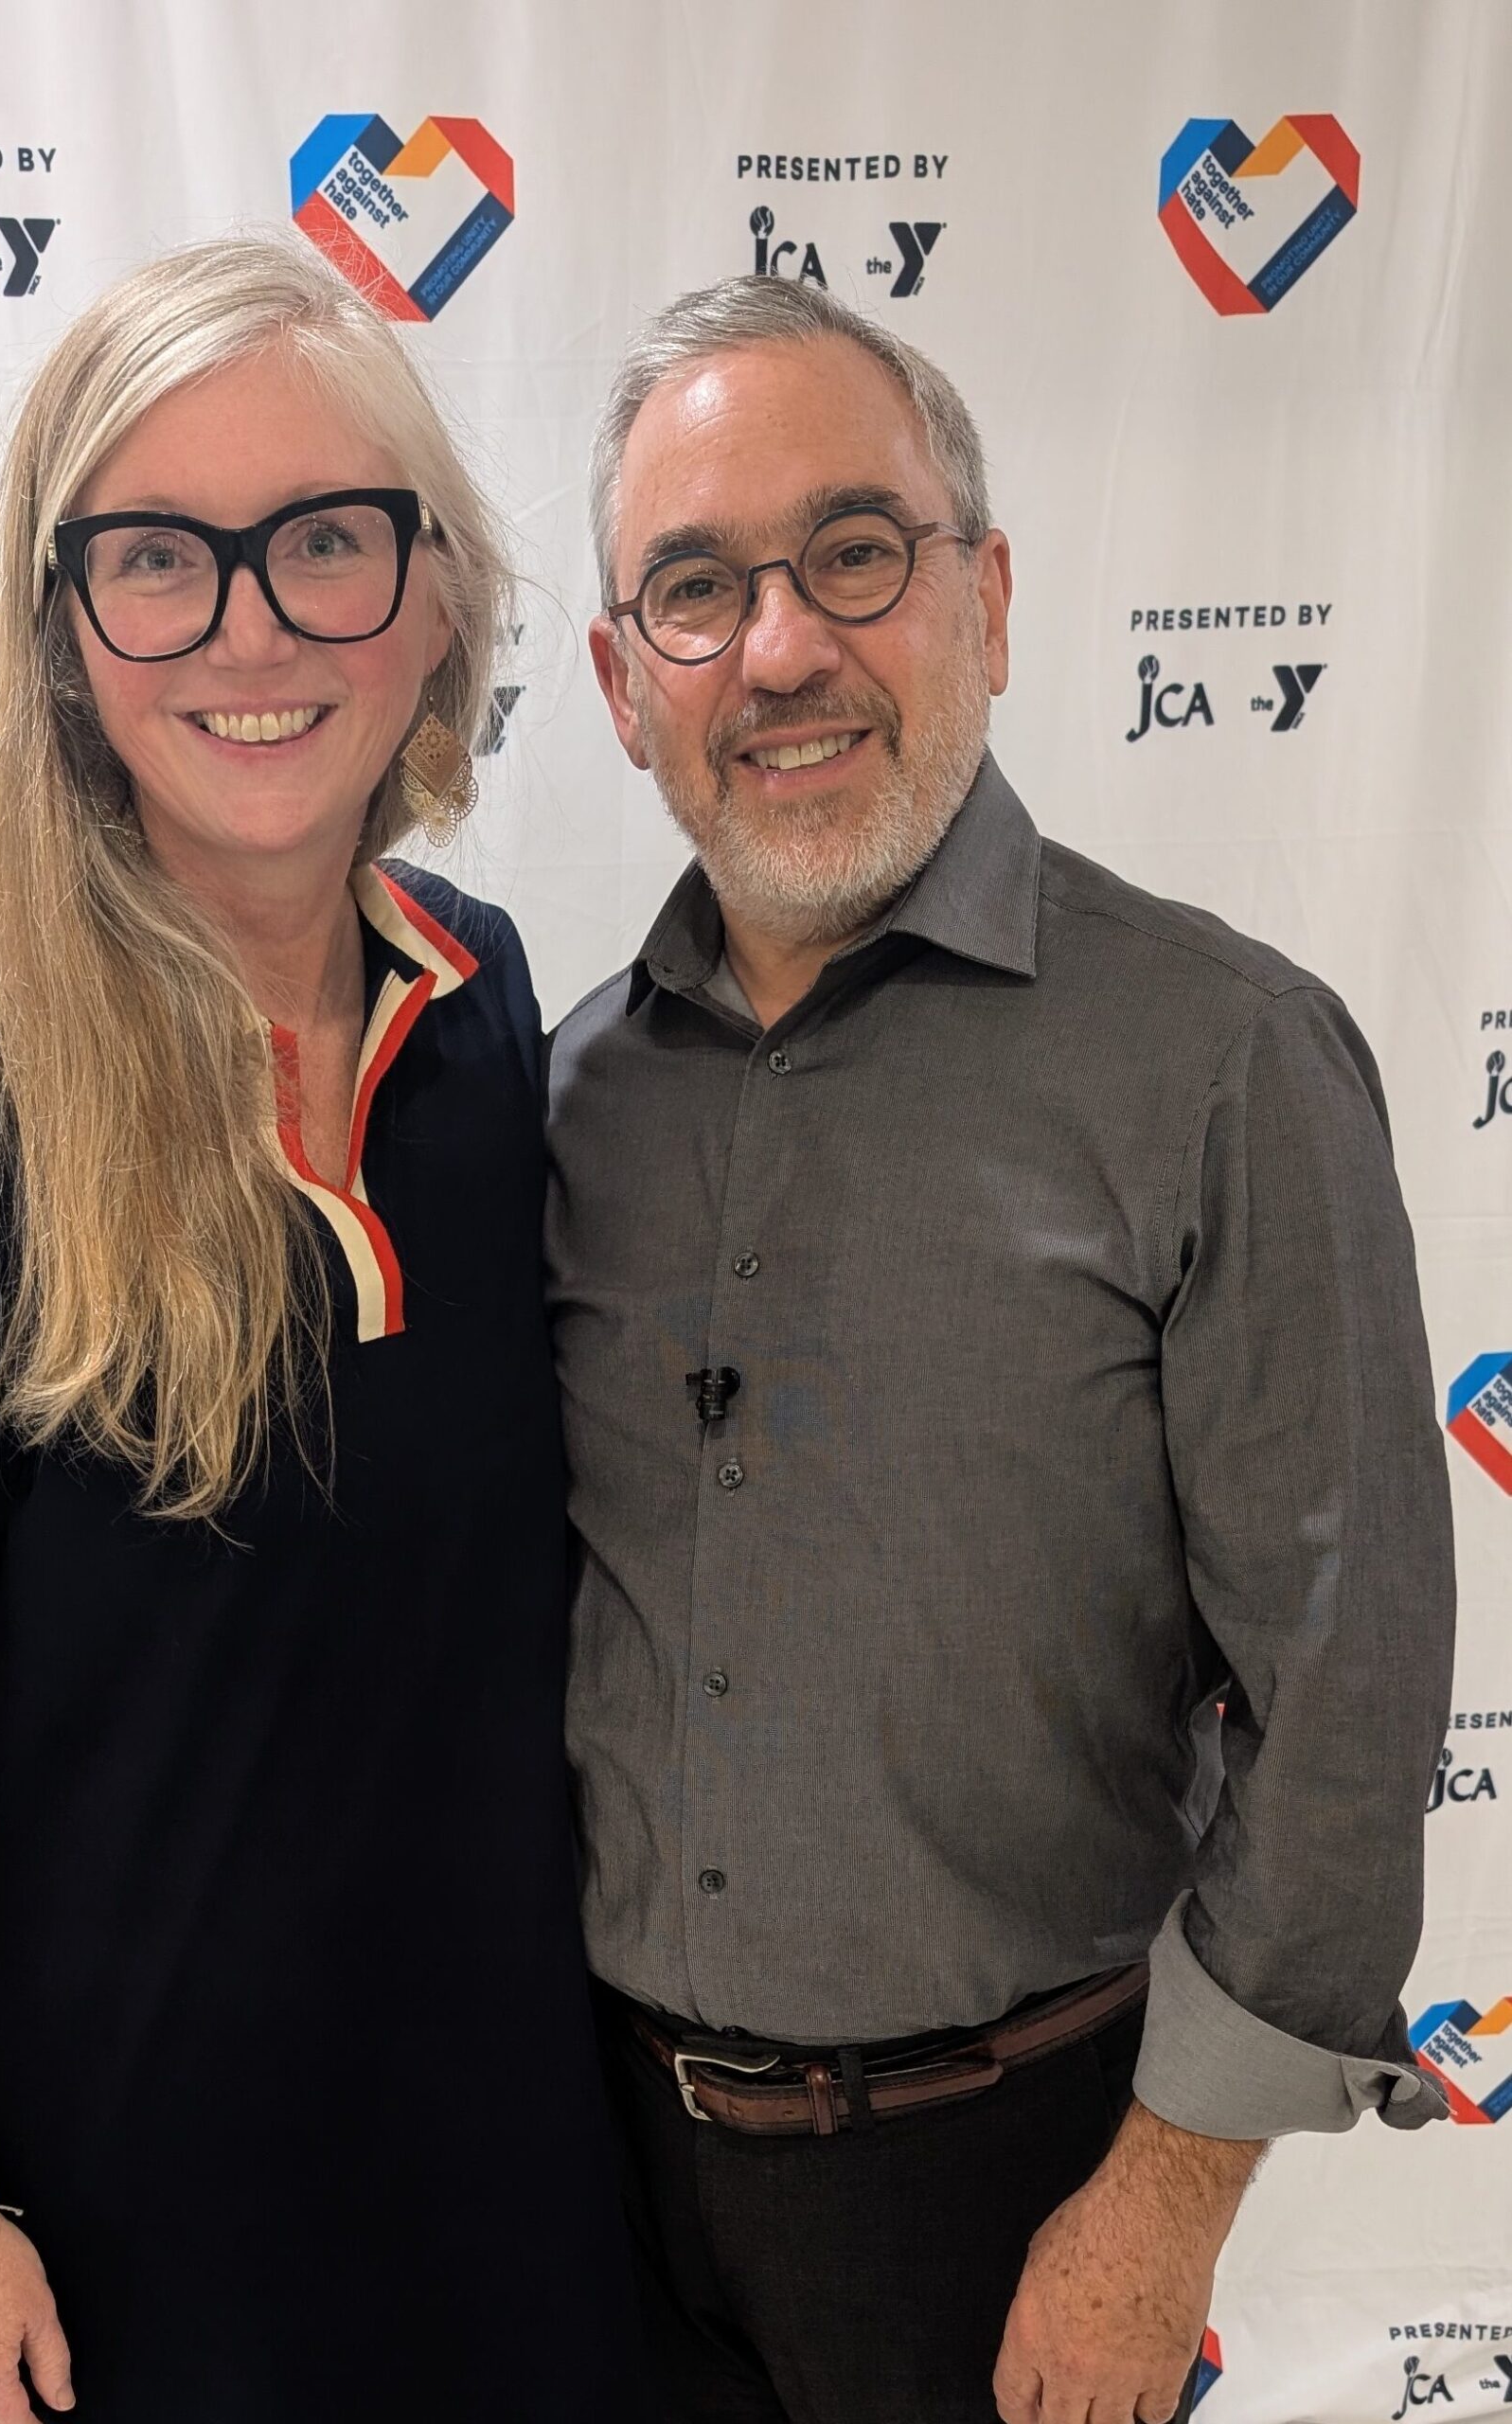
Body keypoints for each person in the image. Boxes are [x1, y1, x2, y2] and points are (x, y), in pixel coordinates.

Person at [545, 273, 1455, 2424]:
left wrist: (1161, 2209)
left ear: (990, 595)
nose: (777, 649)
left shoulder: (1216, 1058)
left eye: (852, 551)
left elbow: (1342, 1694)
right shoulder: (568, 1095)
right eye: (694, 588)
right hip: (590, 2170)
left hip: (1016, 2190)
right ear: (613, 679)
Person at [0, 232, 643, 2424]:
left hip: (518, 2187)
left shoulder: (490, 994)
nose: (252, 627)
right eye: (159, 555)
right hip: (119, 2249)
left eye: (327, 540)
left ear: (436, 597)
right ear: (60, 633)